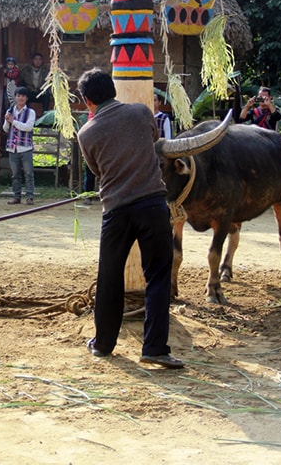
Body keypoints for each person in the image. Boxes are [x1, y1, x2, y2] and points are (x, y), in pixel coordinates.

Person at [76, 68, 183, 369]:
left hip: (116, 210)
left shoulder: (87, 133)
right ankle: (155, 348)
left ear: (87, 101)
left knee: (109, 277)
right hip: (152, 205)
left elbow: (97, 171)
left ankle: (103, 344)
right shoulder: (141, 112)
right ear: (113, 90)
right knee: (158, 276)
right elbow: (154, 140)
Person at [3, 86, 37, 205]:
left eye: (23, 96)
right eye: (18, 96)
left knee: (28, 173)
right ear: (15, 97)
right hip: (13, 147)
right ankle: (16, 196)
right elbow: (5, 129)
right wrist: (7, 121)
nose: (20, 98)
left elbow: (28, 127)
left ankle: (29, 196)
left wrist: (13, 122)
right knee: (15, 174)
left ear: (26, 98)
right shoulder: (10, 111)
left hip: (25, 147)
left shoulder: (30, 112)